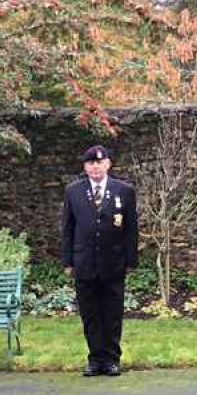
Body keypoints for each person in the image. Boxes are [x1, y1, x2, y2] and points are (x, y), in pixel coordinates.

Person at [60, 145, 138, 376]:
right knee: (90, 314)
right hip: (84, 262)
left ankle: (112, 359)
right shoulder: (73, 191)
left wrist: (131, 260)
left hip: (113, 262)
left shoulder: (124, 190)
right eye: (91, 163)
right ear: (85, 167)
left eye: (100, 163)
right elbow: (67, 228)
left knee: (112, 314)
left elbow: (131, 228)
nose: (95, 167)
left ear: (108, 164)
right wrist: (68, 261)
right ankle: (95, 360)